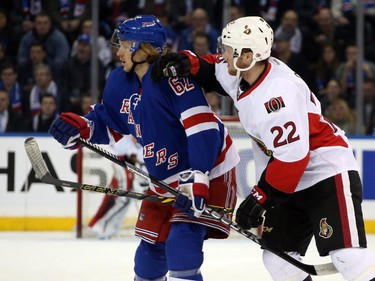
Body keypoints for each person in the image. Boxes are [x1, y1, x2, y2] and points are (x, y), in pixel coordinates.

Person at [152, 16, 375, 281]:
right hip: (288, 179)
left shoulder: (277, 95)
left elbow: (293, 158)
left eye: (228, 49)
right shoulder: (244, 70)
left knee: (347, 256)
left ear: (247, 55)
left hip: (325, 171)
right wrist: (190, 63)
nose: (223, 53)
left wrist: (260, 197)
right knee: (278, 259)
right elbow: (213, 69)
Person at [49, 15, 239, 281]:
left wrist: (198, 178)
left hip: (208, 168)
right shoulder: (119, 81)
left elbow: (203, 130)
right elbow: (109, 122)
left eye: (125, 45)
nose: (118, 51)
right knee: (147, 261)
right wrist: (82, 128)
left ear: (143, 49)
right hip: (164, 177)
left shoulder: (173, 80)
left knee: (182, 248)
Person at [88, 134, 148, 239]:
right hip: (123, 162)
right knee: (122, 198)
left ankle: (104, 228)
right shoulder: (126, 140)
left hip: (136, 167)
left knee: (127, 199)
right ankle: (100, 226)